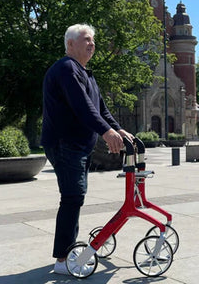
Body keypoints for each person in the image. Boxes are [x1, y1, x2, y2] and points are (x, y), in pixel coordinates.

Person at [41, 24, 133, 275]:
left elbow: (101, 109)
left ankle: (66, 251)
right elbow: (82, 107)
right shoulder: (66, 69)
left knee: (75, 197)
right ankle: (62, 260)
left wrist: (118, 129)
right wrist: (106, 132)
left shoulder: (86, 74)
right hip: (64, 143)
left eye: (93, 40)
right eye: (86, 39)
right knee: (72, 197)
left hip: (78, 146)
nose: (92, 44)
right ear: (70, 44)